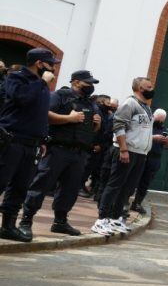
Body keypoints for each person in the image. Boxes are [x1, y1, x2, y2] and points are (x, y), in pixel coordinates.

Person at [18, 70, 102, 238]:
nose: (91, 86)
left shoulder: (90, 103)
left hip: (79, 153)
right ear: (76, 82)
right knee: (41, 184)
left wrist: (97, 124)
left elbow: (91, 129)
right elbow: (45, 115)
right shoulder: (60, 96)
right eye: (88, 83)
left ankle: (60, 222)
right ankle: (26, 221)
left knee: (70, 189)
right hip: (58, 149)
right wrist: (68, 119)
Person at [0, 48, 57, 242]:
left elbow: (39, 115)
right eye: (51, 64)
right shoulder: (17, 78)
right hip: (11, 140)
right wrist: (41, 82)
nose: (53, 69)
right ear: (40, 63)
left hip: (31, 145)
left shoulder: (42, 85)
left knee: (20, 188)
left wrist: (42, 139)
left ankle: (8, 226)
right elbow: (22, 99)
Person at [91, 78, 154, 236]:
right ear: (140, 88)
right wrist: (124, 149)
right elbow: (118, 126)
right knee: (114, 185)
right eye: (149, 86)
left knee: (127, 189)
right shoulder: (129, 104)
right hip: (126, 151)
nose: (152, 89)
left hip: (140, 154)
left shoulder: (146, 107)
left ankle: (115, 218)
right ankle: (101, 220)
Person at [129, 109, 168, 214]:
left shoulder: (164, 129)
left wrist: (167, 141)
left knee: (146, 182)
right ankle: (124, 201)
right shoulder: (146, 125)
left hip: (155, 159)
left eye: (162, 121)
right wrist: (153, 137)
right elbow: (138, 136)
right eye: (158, 120)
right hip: (144, 155)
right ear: (153, 116)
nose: (160, 122)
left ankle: (137, 203)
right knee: (133, 179)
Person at [80, 95, 116, 198]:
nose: (109, 106)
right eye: (108, 103)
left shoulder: (105, 113)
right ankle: (79, 186)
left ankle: (86, 187)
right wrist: (95, 144)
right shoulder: (96, 112)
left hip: (100, 146)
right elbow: (96, 130)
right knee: (86, 167)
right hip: (93, 146)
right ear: (100, 102)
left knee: (93, 168)